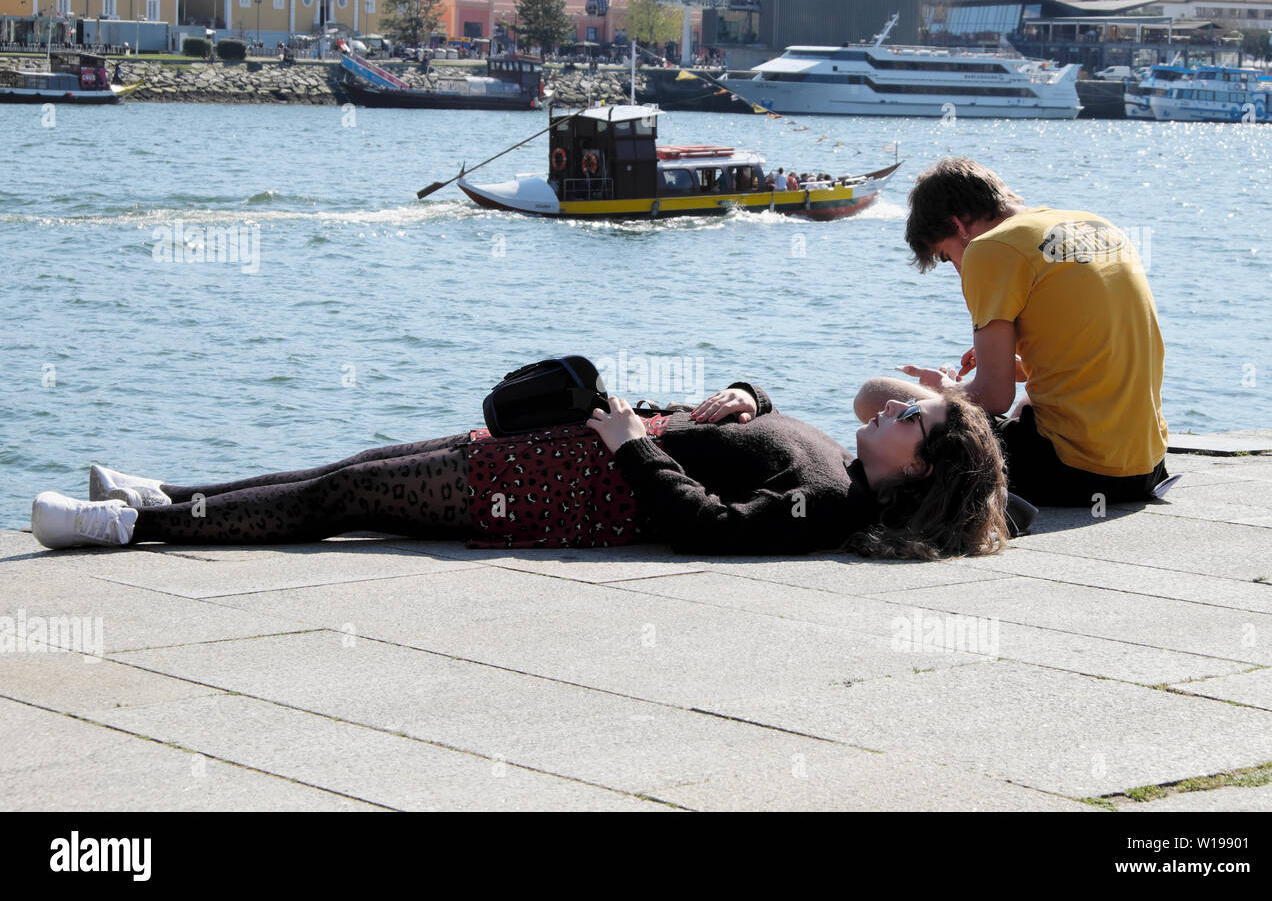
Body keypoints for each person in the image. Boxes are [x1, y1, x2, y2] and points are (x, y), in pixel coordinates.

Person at [30, 381, 1010, 560]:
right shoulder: (833, 455)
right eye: (904, 402)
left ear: (923, 470)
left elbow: (706, 524)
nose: (888, 407)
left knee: (338, 499)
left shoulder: (827, 502)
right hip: (555, 455)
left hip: (548, 492)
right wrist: (748, 393)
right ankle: (164, 496)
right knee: (350, 463)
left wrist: (632, 441)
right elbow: (766, 418)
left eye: (909, 418)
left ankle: (129, 527)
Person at [856, 157, 1169, 507]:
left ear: (959, 225)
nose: (959, 272)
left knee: (874, 395)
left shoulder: (988, 248)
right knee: (1025, 406)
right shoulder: (1095, 224)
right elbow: (1094, 349)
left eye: (948, 258)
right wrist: (1016, 365)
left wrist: (947, 391)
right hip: (1146, 468)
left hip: (1075, 471)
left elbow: (992, 398)